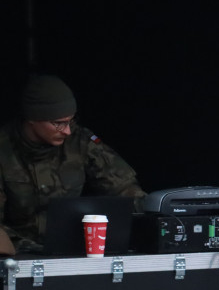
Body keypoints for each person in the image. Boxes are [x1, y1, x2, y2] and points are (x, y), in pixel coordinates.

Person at [0, 75, 145, 255]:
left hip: (73, 251)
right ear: (32, 119)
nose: (67, 131)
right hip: (18, 255)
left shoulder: (80, 141)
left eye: (70, 121)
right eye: (58, 124)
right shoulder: (4, 149)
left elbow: (124, 190)